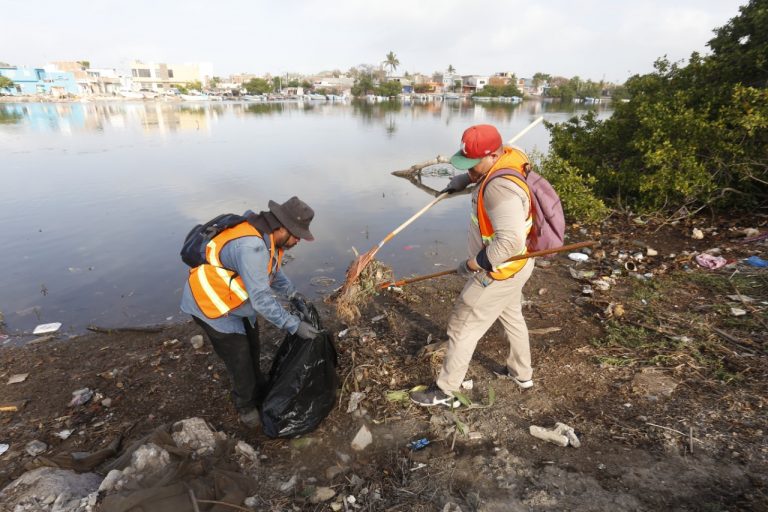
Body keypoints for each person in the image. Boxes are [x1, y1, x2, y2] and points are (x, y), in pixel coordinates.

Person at [411, 124, 535, 408]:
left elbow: (509, 241)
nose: (471, 167)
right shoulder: (512, 155)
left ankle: (446, 391)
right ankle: (521, 374)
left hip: (497, 272)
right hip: (519, 266)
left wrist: (473, 264)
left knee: (462, 327)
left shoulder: (499, 190)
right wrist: (464, 179)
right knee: (512, 317)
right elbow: (484, 169)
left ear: (493, 156)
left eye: (473, 163)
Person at [180, 196, 320, 427]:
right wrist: (294, 325)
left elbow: (273, 271)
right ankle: (245, 406)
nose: (298, 240)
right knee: (240, 359)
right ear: (282, 227)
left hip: (237, 301)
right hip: (212, 305)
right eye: (297, 235)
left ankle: (258, 387)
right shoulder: (251, 247)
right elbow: (262, 300)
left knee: (253, 346)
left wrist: (293, 295)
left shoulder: (268, 238)